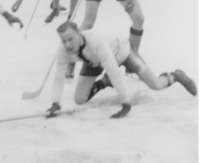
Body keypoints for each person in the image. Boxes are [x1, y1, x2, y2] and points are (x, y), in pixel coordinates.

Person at [46, 22, 197, 119]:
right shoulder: (63, 50)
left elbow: (114, 72)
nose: (67, 44)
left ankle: (177, 75)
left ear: (79, 34)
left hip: (122, 51)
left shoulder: (96, 43)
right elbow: (58, 77)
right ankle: (105, 82)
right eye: (63, 40)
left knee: (156, 85)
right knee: (80, 99)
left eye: (70, 39)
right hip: (93, 60)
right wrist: (55, 103)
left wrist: (125, 104)